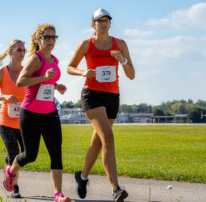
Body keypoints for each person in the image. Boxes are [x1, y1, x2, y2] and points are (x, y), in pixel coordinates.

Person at [67, 8, 135, 202]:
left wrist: (122, 60)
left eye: (106, 20)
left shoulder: (120, 44)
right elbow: (69, 67)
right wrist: (82, 72)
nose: (103, 23)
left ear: (110, 24)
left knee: (98, 142)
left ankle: (82, 177)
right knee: (108, 138)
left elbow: (131, 75)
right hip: (92, 95)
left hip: (112, 96)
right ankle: (115, 188)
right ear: (93, 25)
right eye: (99, 21)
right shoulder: (86, 44)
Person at [2, 24, 71, 202]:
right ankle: (10, 171)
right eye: (47, 37)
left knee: (56, 152)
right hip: (31, 113)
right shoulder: (35, 58)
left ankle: (58, 194)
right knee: (30, 155)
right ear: (38, 39)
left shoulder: (54, 60)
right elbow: (21, 81)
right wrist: (44, 78)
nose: (51, 40)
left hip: (50, 113)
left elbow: (46, 83)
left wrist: (56, 86)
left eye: (53, 37)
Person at [0, 39, 27, 198]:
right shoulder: (2, 72)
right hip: (5, 121)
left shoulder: (27, 71)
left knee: (26, 154)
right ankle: (15, 188)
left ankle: (9, 165)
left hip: (23, 121)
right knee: (13, 153)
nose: (22, 53)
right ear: (10, 52)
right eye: (18, 50)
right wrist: (4, 96)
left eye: (24, 50)